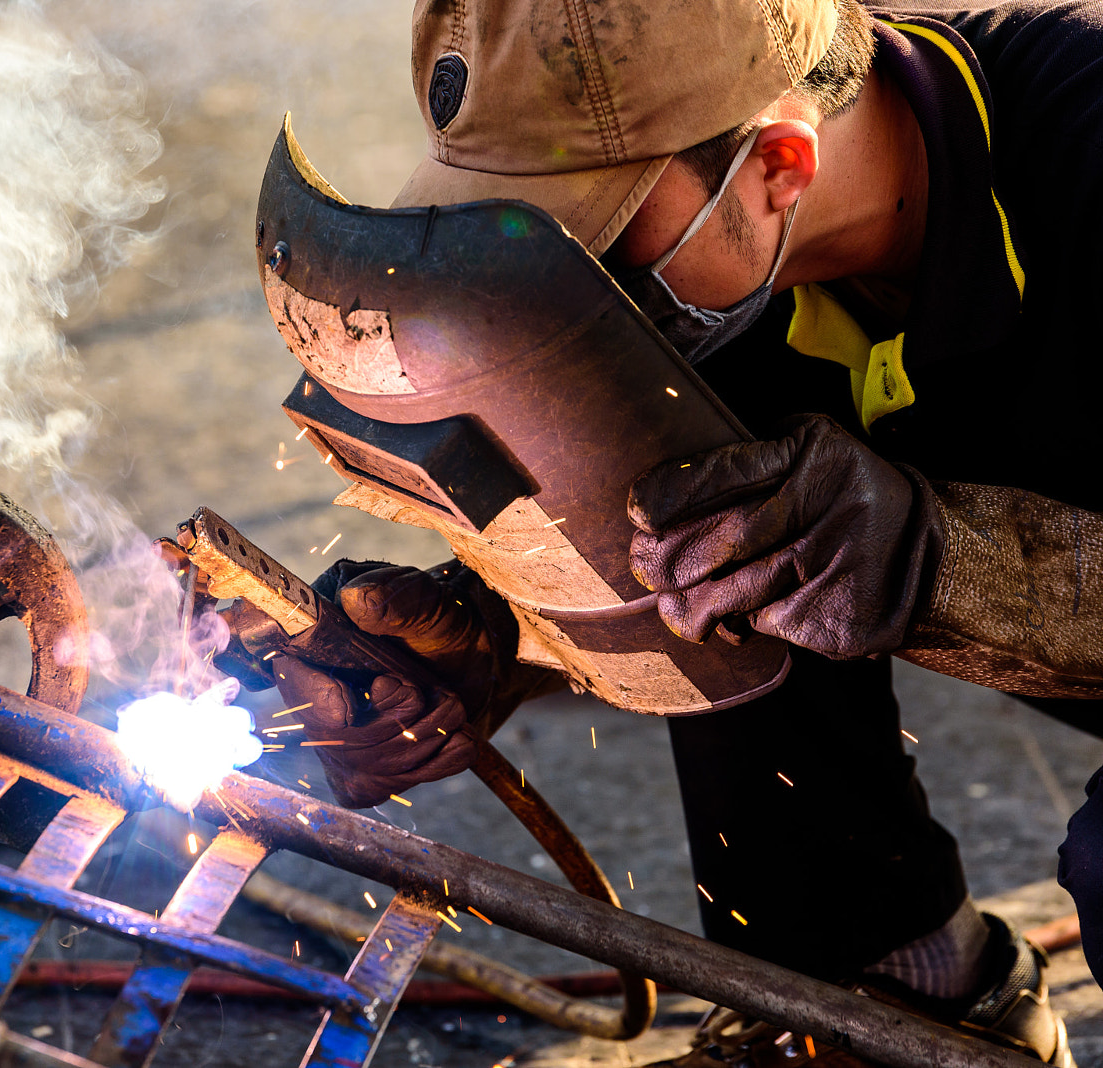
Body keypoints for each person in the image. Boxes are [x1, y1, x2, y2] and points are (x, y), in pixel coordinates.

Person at [270, 0, 1103, 1063]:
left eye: (593, 233)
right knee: (714, 524)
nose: (562, 280)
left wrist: (934, 559)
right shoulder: (743, 248)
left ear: (777, 166)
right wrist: (500, 633)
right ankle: (894, 985)